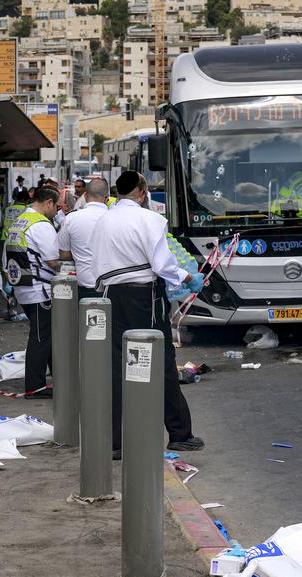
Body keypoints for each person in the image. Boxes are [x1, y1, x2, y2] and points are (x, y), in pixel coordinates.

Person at [91, 171, 206, 458]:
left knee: (117, 366)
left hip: (111, 295)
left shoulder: (103, 219)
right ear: (142, 191)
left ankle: (117, 441)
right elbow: (162, 264)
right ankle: (180, 433)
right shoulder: (151, 219)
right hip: (145, 297)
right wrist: (187, 279)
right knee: (161, 362)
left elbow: (94, 264)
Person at [4, 186, 62, 398]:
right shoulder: (41, 225)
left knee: (47, 336)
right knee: (41, 337)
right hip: (41, 289)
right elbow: (53, 260)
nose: (56, 211)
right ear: (48, 203)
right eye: (56, 206)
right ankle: (35, 386)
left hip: (23, 287)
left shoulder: (19, 222)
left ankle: (59, 377)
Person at [58, 177, 111, 299]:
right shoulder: (115, 218)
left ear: (85, 196)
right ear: (107, 198)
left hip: (84, 284)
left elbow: (63, 255)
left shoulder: (71, 218)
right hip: (111, 286)